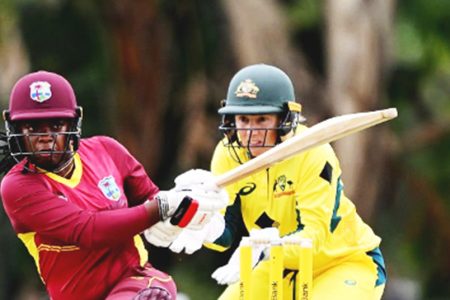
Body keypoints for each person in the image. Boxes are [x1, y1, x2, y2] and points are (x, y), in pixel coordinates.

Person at [150, 64, 387, 299]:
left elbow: (314, 237)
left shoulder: (314, 154)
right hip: (277, 264)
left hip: (341, 262)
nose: (251, 132)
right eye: (243, 119)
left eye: (262, 119)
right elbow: (227, 232)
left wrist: (268, 248)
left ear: (285, 119)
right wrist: (207, 227)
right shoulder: (227, 155)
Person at [0, 70, 228, 300]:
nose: (45, 136)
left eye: (56, 125)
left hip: (136, 282)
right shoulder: (18, 186)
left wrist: (186, 208)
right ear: (15, 129)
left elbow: (152, 199)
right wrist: (161, 207)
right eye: (32, 127)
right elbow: (87, 230)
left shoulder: (107, 151)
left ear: (74, 122)